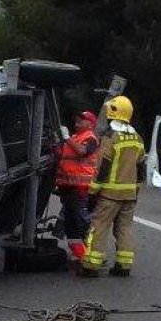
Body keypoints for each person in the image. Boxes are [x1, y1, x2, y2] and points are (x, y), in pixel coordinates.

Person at [80, 96, 145, 278]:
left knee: (98, 227)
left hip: (109, 194)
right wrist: (136, 190)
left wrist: (92, 191)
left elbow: (102, 168)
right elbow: (141, 168)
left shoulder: (110, 138)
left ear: (112, 112)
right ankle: (123, 265)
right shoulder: (137, 138)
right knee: (125, 228)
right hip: (130, 195)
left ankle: (91, 266)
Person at [55, 111, 100, 261]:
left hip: (81, 188)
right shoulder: (74, 138)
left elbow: (82, 151)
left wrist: (66, 138)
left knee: (81, 223)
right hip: (67, 188)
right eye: (77, 119)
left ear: (91, 124)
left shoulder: (91, 138)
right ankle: (82, 257)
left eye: (83, 119)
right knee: (71, 226)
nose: (78, 121)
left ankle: (94, 256)